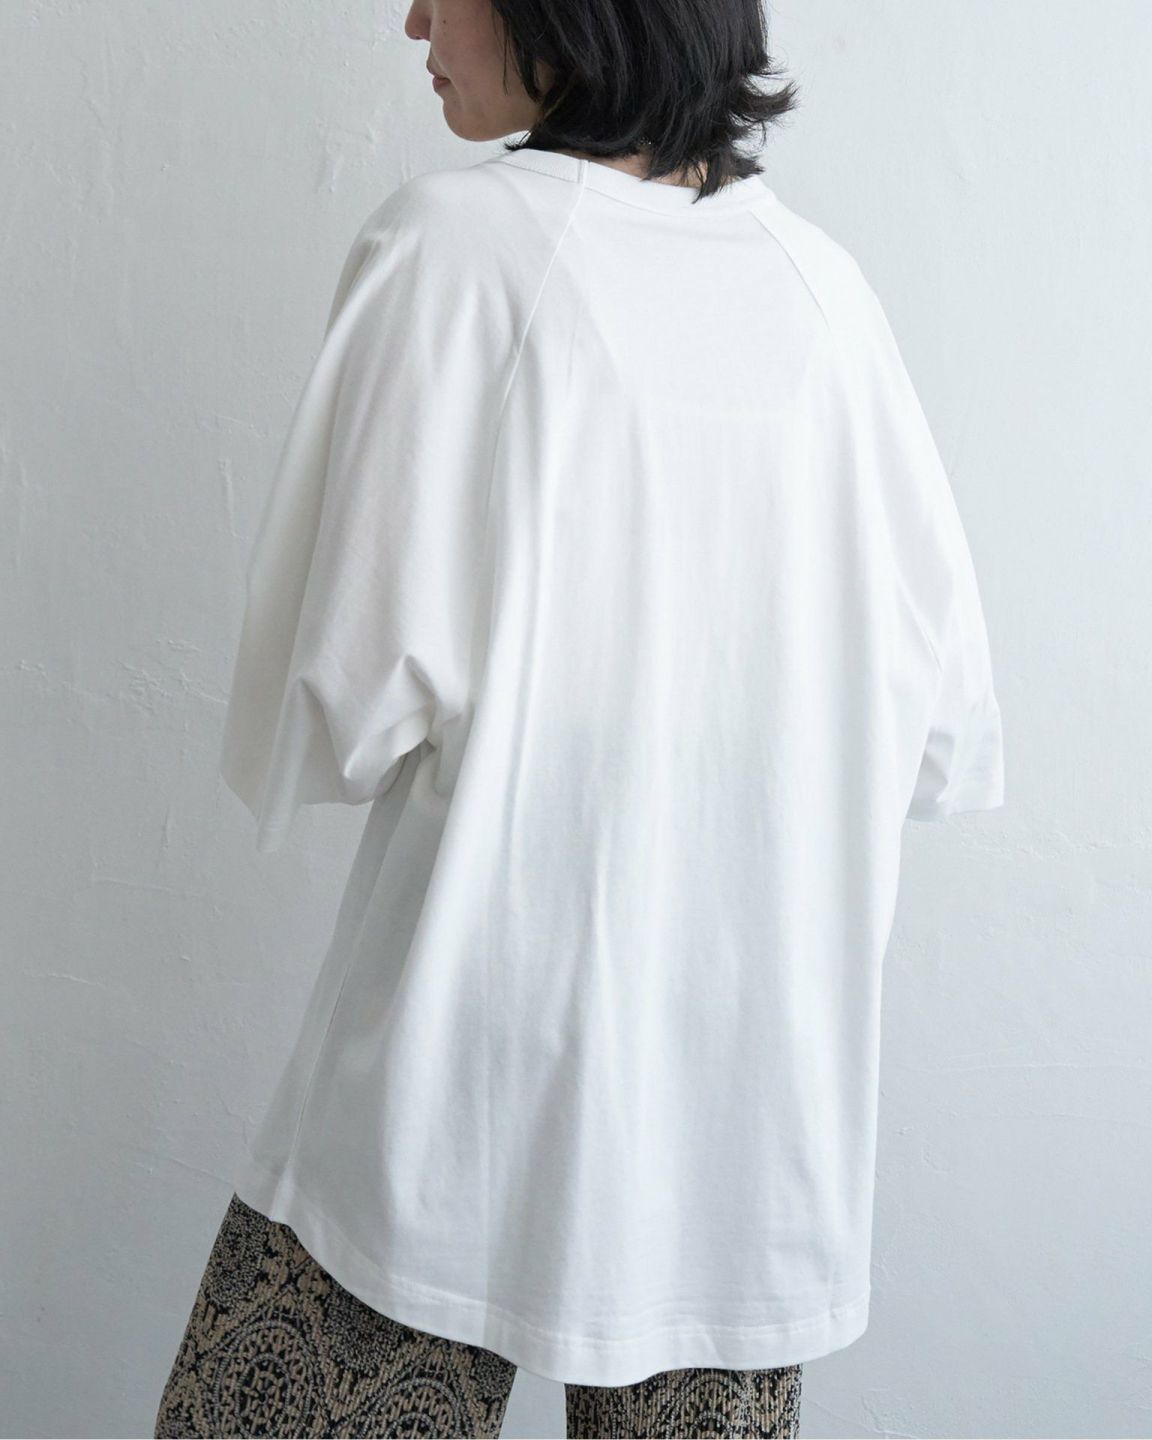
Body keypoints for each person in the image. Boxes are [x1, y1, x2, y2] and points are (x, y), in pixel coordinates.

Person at [154, 0, 1005, 1434]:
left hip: (453, 1104)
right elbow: (942, 735)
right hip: (747, 1151)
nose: (413, 18)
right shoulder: (826, 293)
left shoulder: (449, 248)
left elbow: (340, 713)